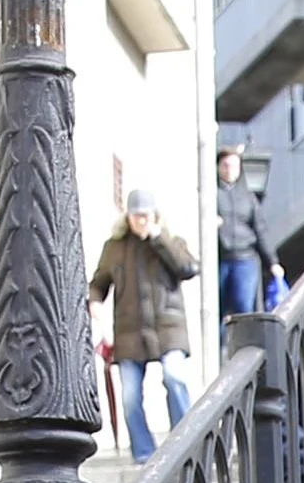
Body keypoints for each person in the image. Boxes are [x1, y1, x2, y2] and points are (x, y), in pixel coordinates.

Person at [91, 190, 200, 458]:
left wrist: (158, 238)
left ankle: (184, 443)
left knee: (174, 377)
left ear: (155, 215)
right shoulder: (114, 247)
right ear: (127, 217)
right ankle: (143, 454)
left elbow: (188, 267)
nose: (140, 221)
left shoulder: (171, 240)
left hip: (169, 328)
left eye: (145, 215)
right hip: (129, 332)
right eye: (136, 216)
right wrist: (94, 301)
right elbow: (98, 283)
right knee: (129, 397)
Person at [213, 142, 268, 319]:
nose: (230, 170)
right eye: (226, 165)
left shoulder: (248, 197)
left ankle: (241, 346)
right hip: (220, 258)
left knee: (243, 307)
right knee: (216, 310)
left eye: (234, 166)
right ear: (218, 167)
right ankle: (219, 347)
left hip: (245, 258)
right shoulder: (211, 194)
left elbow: (260, 229)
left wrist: (272, 261)